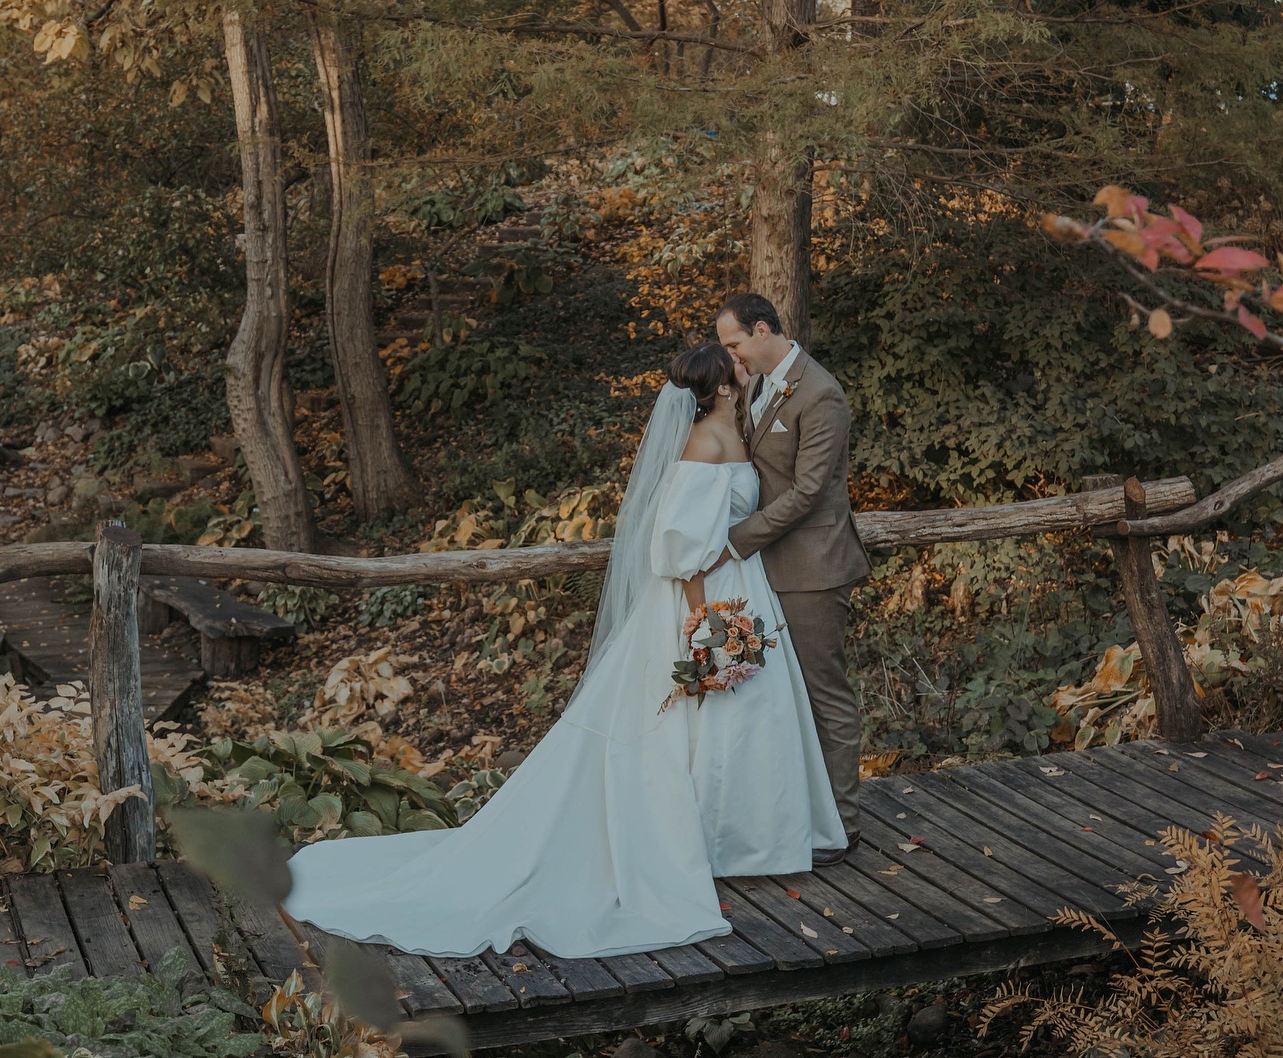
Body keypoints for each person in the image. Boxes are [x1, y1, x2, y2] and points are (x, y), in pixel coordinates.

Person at [284, 343, 847, 960]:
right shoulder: (705, 445)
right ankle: (696, 843)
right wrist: (704, 620)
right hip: (706, 597)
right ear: (722, 386)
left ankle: (739, 842)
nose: (744, 365)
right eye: (734, 362)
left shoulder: (729, 430)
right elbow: (676, 543)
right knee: (694, 721)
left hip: (739, 586)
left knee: (743, 719)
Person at [716, 292, 871, 864]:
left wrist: (735, 539)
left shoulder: (820, 393)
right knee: (784, 697)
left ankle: (845, 826)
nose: (731, 354)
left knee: (824, 692)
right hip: (770, 564)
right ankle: (802, 814)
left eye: (734, 343)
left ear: (762, 329)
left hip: (813, 564)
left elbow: (808, 492)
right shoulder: (760, 382)